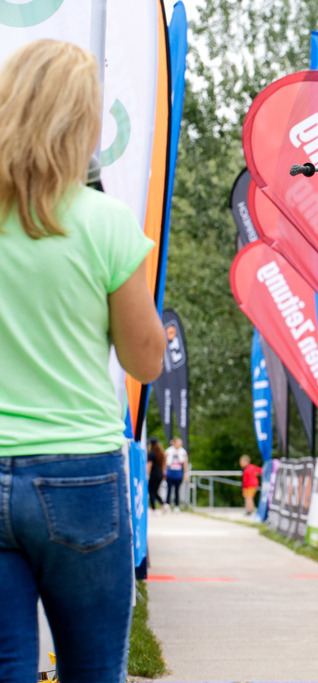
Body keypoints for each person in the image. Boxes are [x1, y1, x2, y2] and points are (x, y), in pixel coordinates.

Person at [0, 40, 165, 683]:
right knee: (94, 669)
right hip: (80, 473)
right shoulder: (105, 222)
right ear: (82, 124)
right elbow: (145, 360)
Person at [164, 437, 190, 511]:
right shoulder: (169, 451)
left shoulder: (183, 452)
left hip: (178, 474)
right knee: (169, 490)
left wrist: (186, 474)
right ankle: (167, 505)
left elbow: (185, 464)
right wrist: (164, 472)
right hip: (170, 473)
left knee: (177, 490)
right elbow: (165, 463)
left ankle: (176, 505)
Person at [147, 437, 167, 511]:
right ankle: (163, 504)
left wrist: (147, 474)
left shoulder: (151, 453)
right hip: (160, 473)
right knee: (155, 491)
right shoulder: (161, 453)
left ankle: (153, 508)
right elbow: (164, 465)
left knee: (151, 491)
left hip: (154, 474)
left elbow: (149, 464)